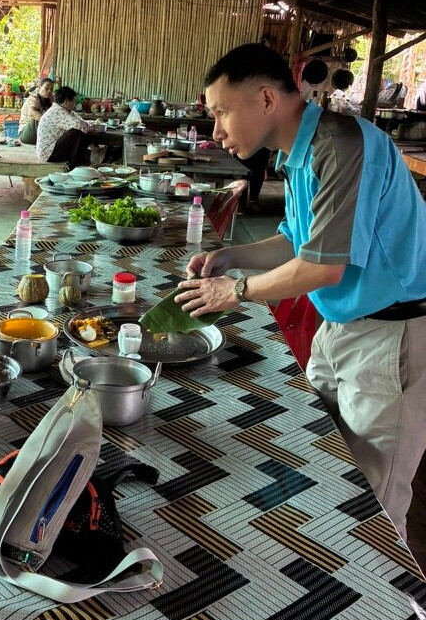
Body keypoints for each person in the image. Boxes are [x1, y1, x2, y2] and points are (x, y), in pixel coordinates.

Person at [174, 42, 426, 552]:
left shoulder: (341, 144)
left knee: (377, 496)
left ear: (266, 99)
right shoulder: (302, 151)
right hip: (341, 329)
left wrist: (237, 290)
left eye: (221, 113)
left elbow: (324, 266)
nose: (216, 131)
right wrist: (231, 257)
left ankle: (387, 618)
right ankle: (328, 570)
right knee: (322, 457)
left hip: (390, 337)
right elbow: (296, 240)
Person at [36, 85, 100, 169]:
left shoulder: (66, 111)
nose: (75, 104)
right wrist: (91, 128)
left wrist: (91, 125)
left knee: (82, 132)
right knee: (76, 132)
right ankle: (74, 165)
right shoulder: (57, 112)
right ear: (66, 101)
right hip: (48, 154)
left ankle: (80, 161)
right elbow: (79, 125)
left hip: (53, 149)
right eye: (73, 101)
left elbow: (81, 121)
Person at [18, 77, 54, 144]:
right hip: (25, 135)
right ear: (39, 87)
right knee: (37, 117)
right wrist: (50, 122)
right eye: (46, 88)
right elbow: (32, 113)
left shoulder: (48, 100)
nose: (49, 91)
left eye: (51, 89)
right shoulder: (33, 97)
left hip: (38, 136)